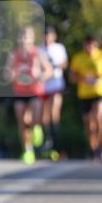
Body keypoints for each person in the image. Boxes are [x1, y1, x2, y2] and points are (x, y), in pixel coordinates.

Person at [5, 26, 51, 164]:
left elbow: (49, 70)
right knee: (23, 122)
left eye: (27, 36)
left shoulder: (37, 54)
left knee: (36, 116)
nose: (24, 39)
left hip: (35, 91)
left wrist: (41, 76)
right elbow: (6, 73)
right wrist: (10, 75)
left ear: (32, 38)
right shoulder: (14, 55)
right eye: (22, 36)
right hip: (20, 92)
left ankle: (37, 128)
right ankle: (27, 149)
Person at [68, 34, 102, 162]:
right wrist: (83, 79)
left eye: (92, 45)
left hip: (100, 92)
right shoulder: (78, 58)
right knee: (89, 124)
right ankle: (93, 148)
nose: (89, 47)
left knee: (98, 117)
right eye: (87, 45)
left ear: (96, 45)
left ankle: (100, 145)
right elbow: (72, 77)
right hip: (84, 94)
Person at [39, 26, 68, 159]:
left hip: (56, 85)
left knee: (54, 114)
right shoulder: (39, 49)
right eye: (44, 35)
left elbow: (64, 64)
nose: (46, 37)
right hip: (43, 86)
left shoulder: (59, 48)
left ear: (53, 36)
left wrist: (53, 66)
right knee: (44, 115)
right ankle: (47, 141)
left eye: (48, 35)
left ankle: (57, 145)